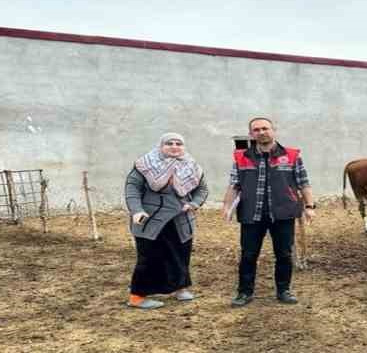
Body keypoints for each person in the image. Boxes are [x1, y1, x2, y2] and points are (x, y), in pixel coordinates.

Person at [222, 117, 315, 307]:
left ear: (274, 130)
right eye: (256, 130)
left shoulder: (291, 155)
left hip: (282, 213)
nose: (261, 132)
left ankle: (284, 290)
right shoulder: (242, 157)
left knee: (284, 254)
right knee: (248, 254)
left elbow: (303, 183)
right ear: (251, 134)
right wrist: (227, 207)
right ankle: (244, 292)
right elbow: (234, 184)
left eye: (265, 128)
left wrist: (309, 206)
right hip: (251, 213)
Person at [124, 132, 208, 309]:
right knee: (149, 257)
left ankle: (180, 288)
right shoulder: (145, 164)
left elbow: (202, 189)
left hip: (181, 220)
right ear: (161, 146)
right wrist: (137, 210)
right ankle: (137, 296)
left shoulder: (192, 166)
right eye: (169, 143)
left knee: (180, 254)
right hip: (151, 220)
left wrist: (194, 203)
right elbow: (132, 188)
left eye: (179, 143)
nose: (174, 146)